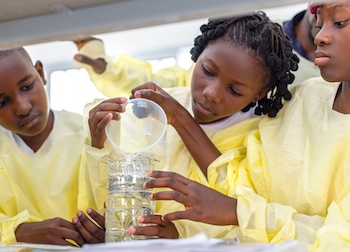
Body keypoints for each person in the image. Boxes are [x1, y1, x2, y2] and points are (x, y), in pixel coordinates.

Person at [133, 1, 350, 250]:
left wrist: (241, 213)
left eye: (340, 22)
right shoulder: (303, 99)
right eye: (320, 23)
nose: (320, 37)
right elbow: (236, 189)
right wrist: (181, 234)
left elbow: (338, 241)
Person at [73, 11, 299, 241]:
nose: (212, 93)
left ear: (258, 94)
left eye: (234, 90)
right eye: (208, 71)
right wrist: (99, 142)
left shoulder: (260, 137)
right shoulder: (151, 110)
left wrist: (180, 236)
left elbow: (244, 215)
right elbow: (107, 193)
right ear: (197, 55)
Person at [0, 48, 95, 246]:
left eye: (27, 86)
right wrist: (17, 231)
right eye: (2, 102)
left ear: (40, 73)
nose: (23, 108)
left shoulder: (90, 136)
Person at [73, 7, 319, 99]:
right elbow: (172, 85)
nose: (212, 93)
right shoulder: (251, 36)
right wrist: (110, 71)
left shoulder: (335, 79)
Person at [73, 38, 193, 98]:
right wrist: (108, 72)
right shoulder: (187, 82)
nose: (211, 93)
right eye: (208, 71)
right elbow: (159, 87)